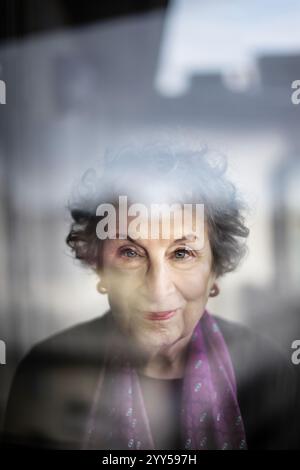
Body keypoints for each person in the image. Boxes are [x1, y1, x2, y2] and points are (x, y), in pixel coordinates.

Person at [3, 145, 298, 449]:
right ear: (100, 267)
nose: (158, 289)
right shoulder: (46, 372)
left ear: (215, 271)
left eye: (182, 253)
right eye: (130, 253)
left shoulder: (267, 372)